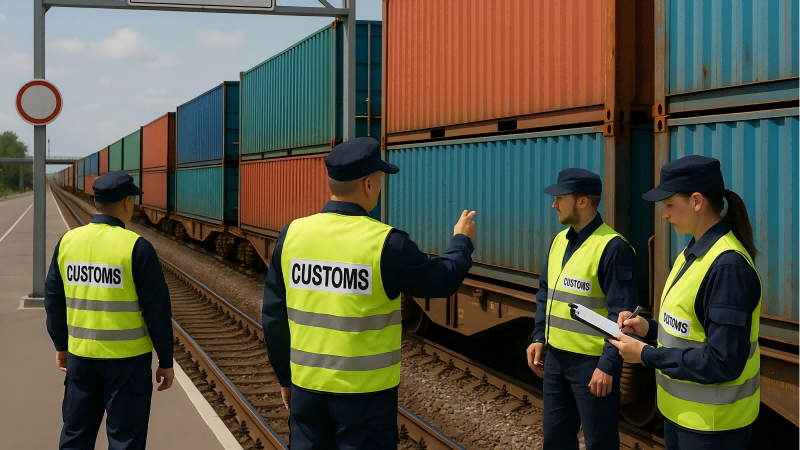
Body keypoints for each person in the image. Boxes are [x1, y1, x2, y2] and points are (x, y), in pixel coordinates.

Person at [262, 136, 476, 450]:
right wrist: (462, 242)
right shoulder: (386, 243)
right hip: (366, 400)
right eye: (379, 179)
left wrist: (285, 377)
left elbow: (274, 317)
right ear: (367, 184)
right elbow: (441, 281)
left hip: (307, 389)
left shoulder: (292, 234)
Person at [610, 155, 761, 450]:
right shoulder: (693, 251)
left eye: (669, 204)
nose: (664, 215)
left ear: (696, 200)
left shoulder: (727, 266)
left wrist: (646, 355)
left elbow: (723, 362)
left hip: (713, 428)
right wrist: (648, 329)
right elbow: (689, 328)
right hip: (683, 418)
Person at [45, 171, 174, 450]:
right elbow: (157, 311)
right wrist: (166, 360)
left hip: (81, 358)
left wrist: (61, 344)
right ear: (128, 201)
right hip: (128, 363)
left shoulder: (68, 241)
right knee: (125, 439)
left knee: (76, 434)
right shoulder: (137, 248)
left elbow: (53, 299)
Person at [525, 168, 639, 450]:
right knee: (555, 441)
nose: (554, 205)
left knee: (599, 442)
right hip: (555, 362)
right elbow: (546, 294)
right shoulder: (559, 241)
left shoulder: (613, 247)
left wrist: (608, 365)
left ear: (583, 202)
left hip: (592, 365)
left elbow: (622, 316)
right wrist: (539, 337)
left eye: (560, 198)